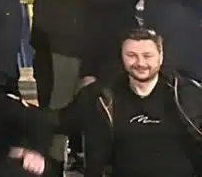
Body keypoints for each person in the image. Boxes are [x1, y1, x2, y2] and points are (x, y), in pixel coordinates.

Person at [77, 28, 202, 177]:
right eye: (131, 55)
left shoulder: (187, 93)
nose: (140, 63)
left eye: (147, 56)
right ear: (121, 57)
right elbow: (61, 120)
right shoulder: (104, 95)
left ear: (160, 57)